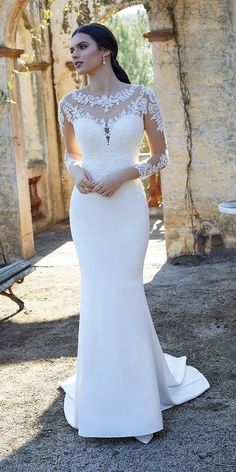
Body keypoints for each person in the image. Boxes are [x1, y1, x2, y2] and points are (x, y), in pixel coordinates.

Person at [57, 22, 210, 444]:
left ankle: (138, 396)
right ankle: (103, 397)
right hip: (88, 210)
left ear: (105, 50)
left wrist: (129, 171)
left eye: (82, 46)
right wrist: (75, 171)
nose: (75, 54)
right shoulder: (69, 103)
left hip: (127, 210)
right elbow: (71, 153)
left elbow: (160, 156)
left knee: (125, 289)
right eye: (72, 49)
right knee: (98, 292)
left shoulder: (141, 96)